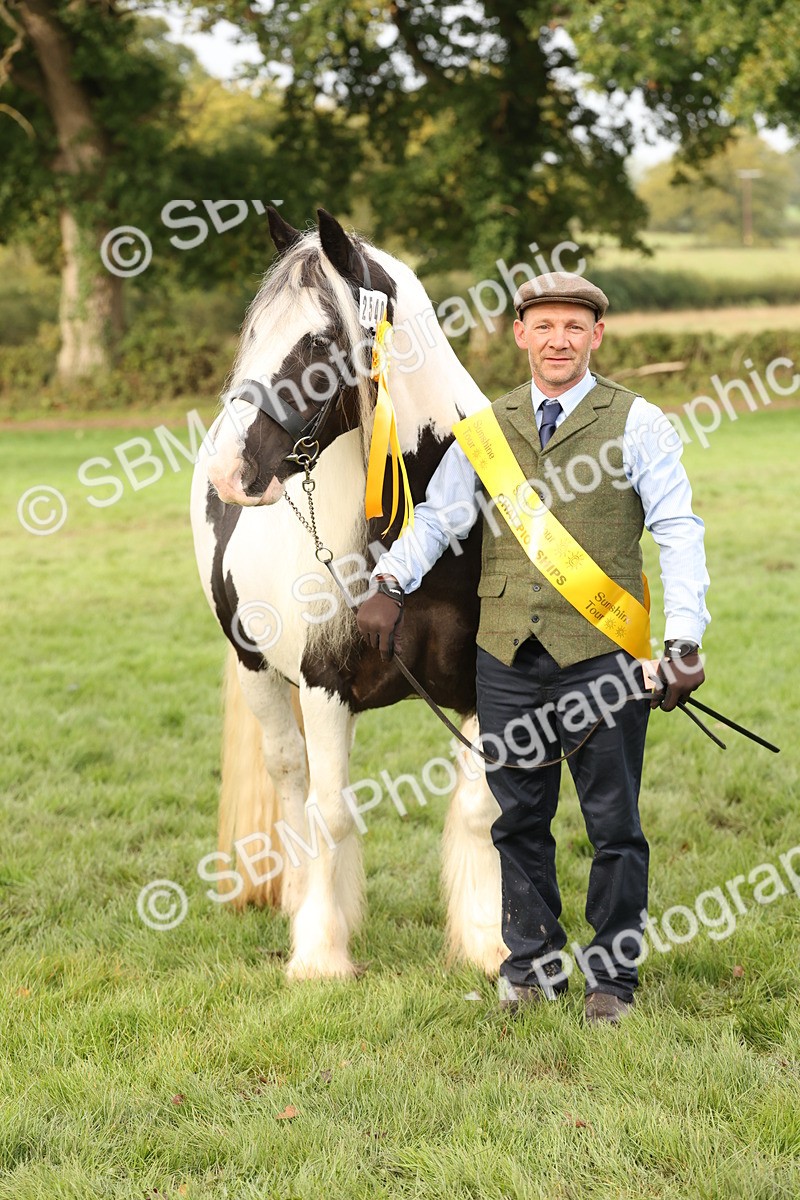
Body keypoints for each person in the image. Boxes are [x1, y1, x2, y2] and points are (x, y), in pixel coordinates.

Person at [356, 272, 709, 1025]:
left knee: (614, 828)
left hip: (606, 657)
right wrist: (388, 578)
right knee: (517, 820)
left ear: (596, 336)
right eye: (543, 326)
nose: (558, 340)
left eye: (574, 327)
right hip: (506, 657)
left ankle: (612, 982)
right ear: (521, 334)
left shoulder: (639, 422)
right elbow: (440, 518)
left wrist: (684, 638)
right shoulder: (488, 428)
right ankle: (532, 968)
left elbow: (678, 530)